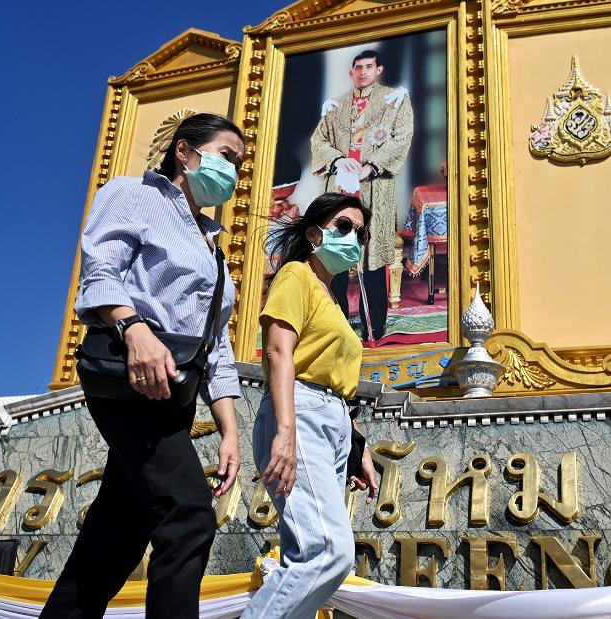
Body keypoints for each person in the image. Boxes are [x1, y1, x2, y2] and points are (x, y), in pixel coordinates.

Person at [41, 113, 245, 619]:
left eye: (240, 163)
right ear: (185, 151)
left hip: (175, 395)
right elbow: (100, 270)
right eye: (227, 155)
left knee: (116, 538)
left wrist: (229, 430)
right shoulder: (133, 194)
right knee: (188, 514)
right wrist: (134, 329)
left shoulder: (212, 244)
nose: (234, 171)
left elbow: (215, 344)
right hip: (131, 379)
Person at [242, 193, 381, 619]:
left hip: (332, 422)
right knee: (326, 553)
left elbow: (336, 381)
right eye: (343, 226)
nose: (352, 238)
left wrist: (358, 448)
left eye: (360, 233)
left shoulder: (332, 300)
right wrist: (286, 432)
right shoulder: (295, 276)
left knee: (314, 558)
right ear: (313, 232)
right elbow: (279, 353)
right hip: (298, 414)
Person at [311, 49, 414, 342]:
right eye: (358, 67)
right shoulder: (336, 106)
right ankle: (339, 326)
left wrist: (372, 167)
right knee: (337, 264)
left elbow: (401, 138)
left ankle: (374, 330)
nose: (363, 72)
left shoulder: (394, 101)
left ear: (379, 69)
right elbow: (318, 140)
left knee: (373, 265)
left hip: (373, 191)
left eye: (369, 66)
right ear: (351, 73)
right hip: (339, 194)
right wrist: (336, 160)